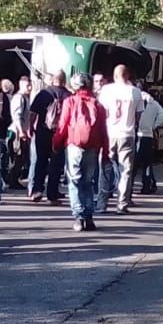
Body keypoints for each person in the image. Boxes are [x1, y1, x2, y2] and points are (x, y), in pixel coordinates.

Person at [52, 72, 108, 232]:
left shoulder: (70, 102)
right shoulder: (98, 105)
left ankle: (78, 217)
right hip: (93, 147)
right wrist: (105, 151)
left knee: (74, 181)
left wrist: (56, 143)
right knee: (88, 182)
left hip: (74, 145)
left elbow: (62, 125)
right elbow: (104, 129)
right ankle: (89, 217)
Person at [96, 64, 143, 214]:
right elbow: (138, 115)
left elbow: (102, 112)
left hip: (109, 133)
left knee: (105, 168)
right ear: (127, 76)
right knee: (126, 170)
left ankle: (101, 204)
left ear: (115, 76)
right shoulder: (135, 92)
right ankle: (121, 204)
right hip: (127, 134)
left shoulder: (106, 90)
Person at [27, 70, 70, 204]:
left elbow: (33, 112)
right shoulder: (68, 95)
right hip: (60, 134)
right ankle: (52, 194)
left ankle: (37, 190)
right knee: (56, 165)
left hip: (43, 132)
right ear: (64, 81)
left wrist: (30, 126)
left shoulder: (43, 93)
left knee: (41, 161)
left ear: (53, 80)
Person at [135, 89, 163, 195]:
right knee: (147, 164)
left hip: (136, 135)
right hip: (148, 136)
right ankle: (146, 187)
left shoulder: (135, 100)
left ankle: (128, 189)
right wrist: (153, 126)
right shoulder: (153, 102)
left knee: (133, 164)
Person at [8, 75, 32, 189]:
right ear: (21, 85)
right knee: (18, 155)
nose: (30, 87)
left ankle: (15, 178)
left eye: (30, 85)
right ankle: (12, 179)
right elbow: (17, 116)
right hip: (17, 131)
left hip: (23, 131)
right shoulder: (19, 98)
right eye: (28, 85)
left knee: (23, 156)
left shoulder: (25, 98)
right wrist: (21, 131)